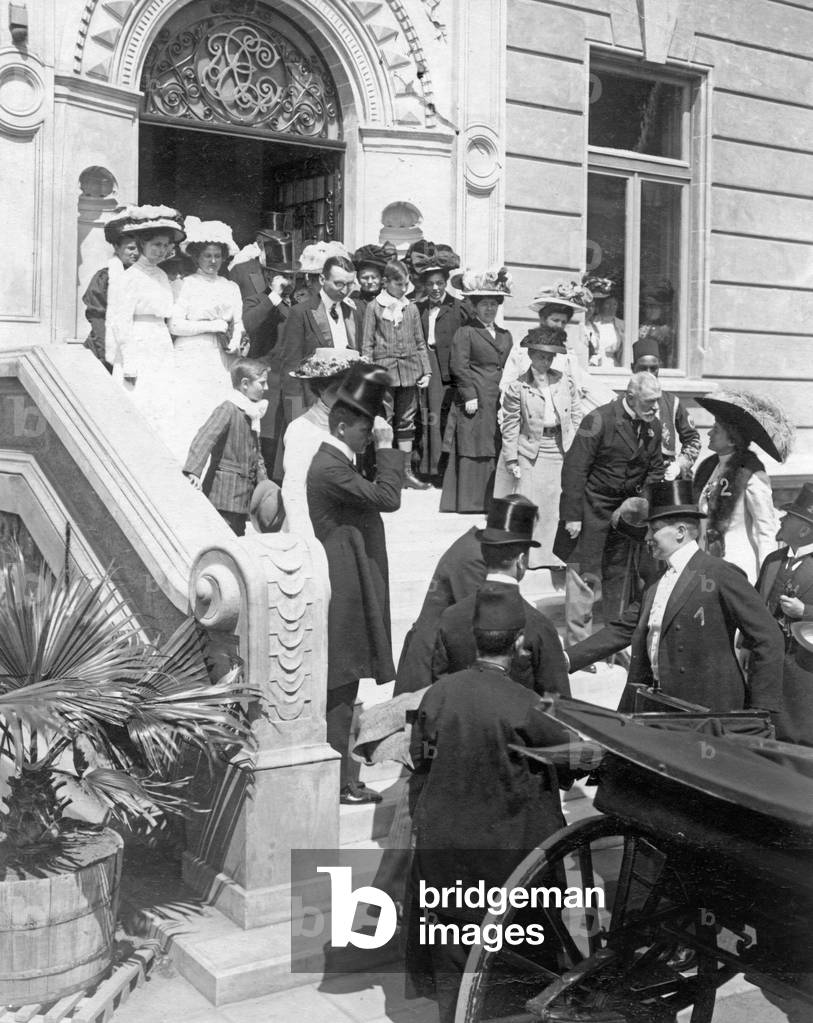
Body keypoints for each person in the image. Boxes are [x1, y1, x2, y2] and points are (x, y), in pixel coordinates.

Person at [407, 583, 575, 1022]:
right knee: (517, 958)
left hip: (445, 857)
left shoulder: (438, 695)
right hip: (508, 863)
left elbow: (419, 758)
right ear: (519, 644)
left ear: (476, 638)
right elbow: (571, 761)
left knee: (451, 951)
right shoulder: (527, 705)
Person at [306, 363, 403, 804]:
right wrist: (388, 448)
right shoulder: (330, 468)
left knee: (348, 687)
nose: (369, 439)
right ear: (343, 426)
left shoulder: (338, 459)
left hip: (353, 581)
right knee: (342, 688)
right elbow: (389, 498)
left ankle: (345, 778)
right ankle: (341, 784)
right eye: (364, 433)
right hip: (344, 589)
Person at [610, 481, 784, 716]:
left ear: (680, 532)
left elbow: (768, 636)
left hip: (709, 713)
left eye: (653, 530)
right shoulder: (656, 580)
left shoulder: (720, 573)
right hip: (659, 708)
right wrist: (568, 658)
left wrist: (761, 708)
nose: (647, 538)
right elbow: (623, 629)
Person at [557, 372, 665, 646]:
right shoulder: (598, 419)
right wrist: (572, 516)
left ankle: (612, 644)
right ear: (630, 397)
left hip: (625, 514)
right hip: (591, 507)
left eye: (658, 402)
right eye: (650, 402)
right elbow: (574, 468)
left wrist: (640, 507)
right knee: (583, 576)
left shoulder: (654, 426)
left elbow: (654, 471)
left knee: (619, 578)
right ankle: (579, 645)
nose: (656, 408)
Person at [431, 496, 570, 697]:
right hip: (518, 725)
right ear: (521, 561)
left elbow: (440, 683)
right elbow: (556, 703)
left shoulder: (451, 617)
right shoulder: (538, 625)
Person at [494, 326, 582, 572]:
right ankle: (528, 557)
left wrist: (574, 444)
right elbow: (511, 424)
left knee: (554, 503)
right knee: (530, 502)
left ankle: (549, 555)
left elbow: (575, 414)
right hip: (531, 448)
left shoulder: (565, 380)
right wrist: (512, 459)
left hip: (559, 446)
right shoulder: (517, 387)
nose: (546, 361)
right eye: (541, 356)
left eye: (550, 356)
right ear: (531, 355)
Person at [105, 204, 186, 445]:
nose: (161, 251)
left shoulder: (161, 275)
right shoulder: (128, 278)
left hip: (160, 342)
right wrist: (129, 360)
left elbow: (168, 312)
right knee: (139, 404)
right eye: (156, 245)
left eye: (165, 245)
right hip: (138, 345)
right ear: (142, 245)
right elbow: (120, 321)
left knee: (162, 405)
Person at [694, 388, 793, 584]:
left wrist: (766, 581)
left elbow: (765, 531)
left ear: (732, 438)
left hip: (738, 571)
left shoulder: (752, 473)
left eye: (716, 429)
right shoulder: (708, 468)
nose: (709, 432)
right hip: (706, 567)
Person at [168, 217, 244, 462]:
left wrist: (236, 340)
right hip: (191, 354)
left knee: (217, 411)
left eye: (217, 256)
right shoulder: (185, 285)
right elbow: (175, 325)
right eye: (207, 256)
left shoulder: (230, 286)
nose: (213, 261)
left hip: (221, 358)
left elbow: (239, 323)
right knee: (192, 411)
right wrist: (213, 325)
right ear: (196, 257)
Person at [440, 268, 513, 513]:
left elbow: (509, 366)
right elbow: (458, 365)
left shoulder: (505, 335)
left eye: (493, 304)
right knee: (473, 442)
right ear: (475, 306)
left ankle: (492, 499)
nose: (489, 309)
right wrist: (468, 394)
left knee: (495, 442)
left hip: (498, 398)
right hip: (475, 397)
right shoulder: (466, 332)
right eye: (484, 304)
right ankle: (470, 501)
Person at [362, 259, 432, 490]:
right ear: (386, 282)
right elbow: (367, 345)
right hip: (384, 373)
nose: (404, 288)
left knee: (407, 420)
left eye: (406, 284)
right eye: (399, 284)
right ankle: (385, 473)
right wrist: (370, 375)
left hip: (410, 372)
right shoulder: (374, 307)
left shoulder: (410, 308)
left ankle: (405, 473)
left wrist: (427, 371)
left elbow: (421, 342)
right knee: (384, 420)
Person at [182, 358, 269, 537]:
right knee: (220, 537)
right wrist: (193, 472)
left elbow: (256, 455)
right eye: (262, 383)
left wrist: (265, 486)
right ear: (245, 384)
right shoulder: (228, 409)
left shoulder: (250, 414)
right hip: (223, 494)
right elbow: (205, 437)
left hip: (242, 498)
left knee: (237, 536)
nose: (266, 388)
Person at [755, 481, 813, 747]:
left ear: (804, 529)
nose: (781, 518)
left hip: (804, 673)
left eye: (788, 516)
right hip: (768, 668)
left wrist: (806, 611)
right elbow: (755, 607)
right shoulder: (773, 560)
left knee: (801, 739)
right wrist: (746, 646)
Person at [280, 348, 360, 537]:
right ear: (322, 388)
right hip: (313, 532)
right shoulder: (301, 429)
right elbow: (293, 493)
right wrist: (307, 545)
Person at [409, 242, 468, 482]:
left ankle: (447, 471)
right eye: (430, 284)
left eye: (439, 283)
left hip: (450, 368)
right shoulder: (417, 308)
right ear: (424, 285)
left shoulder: (459, 308)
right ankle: (428, 468)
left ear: (446, 283)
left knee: (447, 421)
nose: (435, 288)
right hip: (427, 365)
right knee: (427, 418)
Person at [279, 254, 363, 421]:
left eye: (349, 284)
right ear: (323, 279)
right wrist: (295, 417)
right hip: (313, 406)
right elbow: (291, 368)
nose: (345, 290)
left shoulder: (355, 311)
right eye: (339, 284)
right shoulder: (301, 313)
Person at [630, 338, 700, 481]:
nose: (649, 373)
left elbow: (693, 439)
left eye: (654, 368)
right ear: (633, 368)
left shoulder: (672, 402)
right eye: (643, 368)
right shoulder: (620, 404)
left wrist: (680, 465)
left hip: (664, 478)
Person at [81, 207, 139, 372]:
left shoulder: (145, 277)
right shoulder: (105, 278)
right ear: (116, 247)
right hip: (105, 348)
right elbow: (98, 317)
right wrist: (107, 355)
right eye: (131, 248)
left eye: (139, 248)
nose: (136, 253)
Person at [583, 275, 625, 367]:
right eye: (608, 304)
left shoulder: (622, 325)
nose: (611, 308)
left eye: (614, 304)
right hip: (594, 363)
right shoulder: (592, 323)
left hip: (614, 365)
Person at [638, 280, 676, 368]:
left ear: (661, 309)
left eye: (654, 307)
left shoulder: (664, 329)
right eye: (647, 307)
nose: (649, 310)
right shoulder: (642, 325)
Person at [351, 243, 394, 312]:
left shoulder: (392, 303)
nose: (370, 282)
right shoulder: (351, 305)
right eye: (365, 278)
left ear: (382, 278)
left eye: (374, 277)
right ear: (358, 279)